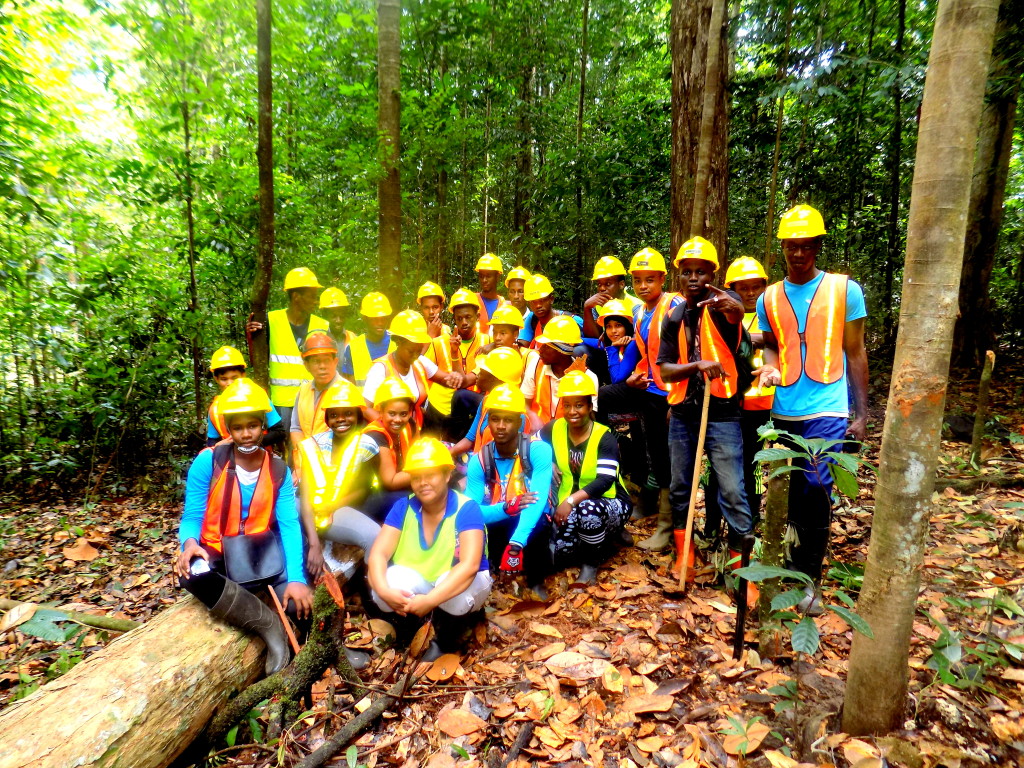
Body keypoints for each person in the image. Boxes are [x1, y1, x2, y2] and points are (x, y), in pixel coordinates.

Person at [756, 205, 868, 615]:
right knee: (790, 492)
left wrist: (861, 412)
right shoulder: (768, 296)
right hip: (785, 407)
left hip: (829, 407)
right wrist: (768, 367)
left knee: (816, 488)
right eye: (791, 247)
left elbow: (855, 351)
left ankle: (810, 581)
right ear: (782, 248)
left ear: (818, 245)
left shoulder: (844, 290)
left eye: (806, 246)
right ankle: (792, 564)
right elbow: (770, 343)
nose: (798, 254)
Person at [174, 378, 311, 675]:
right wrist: (189, 543)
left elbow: (288, 524)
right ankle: (268, 625)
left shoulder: (277, 469)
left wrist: (298, 577)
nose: (246, 434)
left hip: (260, 552)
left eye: (253, 426)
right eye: (238, 427)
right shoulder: (208, 463)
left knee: (299, 602)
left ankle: (310, 654)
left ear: (263, 426)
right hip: (216, 550)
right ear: (228, 429)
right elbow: (192, 516)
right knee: (192, 575)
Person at [656, 237, 755, 603]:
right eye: (688, 272)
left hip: (723, 411)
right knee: (681, 487)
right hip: (684, 412)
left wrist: (736, 312)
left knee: (732, 489)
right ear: (680, 276)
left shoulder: (725, 308)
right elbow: (665, 371)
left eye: (701, 272)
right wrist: (696, 366)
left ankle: (744, 569)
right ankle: (685, 555)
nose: (694, 278)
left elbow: (735, 324)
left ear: (713, 274)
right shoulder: (675, 316)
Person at [367, 437, 492, 660]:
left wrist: (430, 600)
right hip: (425, 582)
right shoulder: (403, 507)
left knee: (455, 594)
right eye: (416, 477)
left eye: (430, 475)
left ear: (446, 475)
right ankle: (413, 626)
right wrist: (385, 592)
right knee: (384, 584)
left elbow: (470, 565)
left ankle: (447, 638)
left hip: (462, 583)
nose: (423, 482)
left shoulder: (466, 508)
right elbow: (378, 554)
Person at [704, 257, 774, 541]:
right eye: (742, 288)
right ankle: (710, 523)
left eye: (755, 287)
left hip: (760, 406)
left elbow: (780, 343)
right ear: (731, 289)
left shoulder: (770, 315)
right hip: (726, 405)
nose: (749, 293)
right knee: (715, 466)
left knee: (751, 465)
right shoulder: (721, 316)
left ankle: (748, 525)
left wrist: (760, 338)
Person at [540, 371, 631, 584]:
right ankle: (601, 539)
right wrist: (548, 460)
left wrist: (570, 502)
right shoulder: (554, 427)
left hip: (609, 501)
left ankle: (592, 562)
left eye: (579, 405)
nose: (573, 411)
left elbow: (604, 481)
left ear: (590, 407)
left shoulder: (605, 436)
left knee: (587, 511)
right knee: (561, 554)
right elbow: (531, 445)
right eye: (567, 405)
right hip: (568, 502)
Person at [465, 385, 554, 598]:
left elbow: (538, 500)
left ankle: (536, 580)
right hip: (501, 514)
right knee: (480, 531)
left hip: (533, 518)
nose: (501, 426)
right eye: (495, 419)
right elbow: (471, 511)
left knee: (539, 523)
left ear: (520, 422)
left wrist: (517, 542)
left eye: (508, 420)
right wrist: (507, 508)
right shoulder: (479, 460)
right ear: (487, 421)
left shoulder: (538, 450)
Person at [625, 247, 682, 552]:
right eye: (638, 280)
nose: (643, 285)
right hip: (650, 392)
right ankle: (658, 515)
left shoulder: (675, 304)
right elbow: (646, 353)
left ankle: (668, 527)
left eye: (650, 279)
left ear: (662, 278)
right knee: (656, 455)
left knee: (669, 459)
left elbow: (686, 351)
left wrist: (679, 399)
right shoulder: (639, 311)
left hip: (672, 395)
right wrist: (635, 375)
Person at [298, 380, 381, 568]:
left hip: (337, 509)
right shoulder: (314, 445)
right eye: (334, 415)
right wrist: (314, 544)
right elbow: (305, 495)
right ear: (327, 419)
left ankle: (371, 587)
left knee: (374, 536)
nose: (341, 419)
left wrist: (334, 505)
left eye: (348, 414)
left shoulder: (367, 445)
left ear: (359, 416)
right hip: (306, 509)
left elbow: (365, 487)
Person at [246, 266, 328, 427]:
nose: (316, 302)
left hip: (313, 398)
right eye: (312, 297)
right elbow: (256, 360)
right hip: (281, 401)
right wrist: (251, 336)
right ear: (296, 296)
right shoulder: (271, 320)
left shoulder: (323, 325)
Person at [362, 310, 463, 428]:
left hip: (415, 433)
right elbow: (365, 408)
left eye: (419, 350)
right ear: (399, 342)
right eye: (411, 351)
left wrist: (454, 377)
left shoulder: (420, 362)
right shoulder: (380, 369)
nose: (416, 355)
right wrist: (390, 427)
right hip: (389, 434)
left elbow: (447, 379)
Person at [449, 346, 529, 457]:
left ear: (495, 379)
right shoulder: (487, 400)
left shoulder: (518, 414)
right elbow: (470, 439)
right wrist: (447, 455)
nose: (477, 375)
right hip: (479, 463)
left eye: (481, 371)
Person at [521, 315, 599, 425]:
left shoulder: (588, 378)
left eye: (547, 346)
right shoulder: (536, 364)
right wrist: (532, 418)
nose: (540, 350)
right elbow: (525, 403)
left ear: (562, 350)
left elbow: (588, 420)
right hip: (535, 434)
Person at [359, 377, 418, 521]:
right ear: (381, 412)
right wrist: (427, 471)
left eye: (403, 414)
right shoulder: (375, 434)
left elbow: (418, 453)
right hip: (372, 495)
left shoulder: (409, 424)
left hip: (402, 482)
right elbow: (390, 482)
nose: (398, 419)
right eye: (392, 414)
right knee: (416, 500)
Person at [206, 346, 286, 449]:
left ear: (243, 375)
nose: (229, 383)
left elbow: (279, 432)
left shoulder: (258, 397)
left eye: (234, 378)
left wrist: (250, 444)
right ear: (216, 379)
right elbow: (212, 442)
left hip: (263, 458)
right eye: (224, 379)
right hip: (231, 462)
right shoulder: (215, 409)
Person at [290, 331, 341, 459]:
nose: (322, 366)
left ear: (335, 362)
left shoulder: (346, 391)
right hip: (305, 458)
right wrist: (305, 457)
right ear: (306, 365)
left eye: (327, 360)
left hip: (334, 460)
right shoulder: (303, 391)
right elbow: (296, 428)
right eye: (316, 361)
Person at [417, 281, 460, 432]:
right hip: (422, 398)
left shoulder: (448, 331)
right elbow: (413, 363)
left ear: (441, 307)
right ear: (421, 308)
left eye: (435, 307)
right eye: (426, 307)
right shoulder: (414, 332)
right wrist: (429, 337)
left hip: (443, 398)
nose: (431, 312)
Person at [582, 256, 643, 340]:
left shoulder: (636, 306)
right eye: (599, 284)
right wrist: (587, 308)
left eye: (608, 284)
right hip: (606, 350)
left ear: (621, 284)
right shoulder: (598, 306)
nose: (602, 288)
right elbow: (593, 338)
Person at [342, 292, 395, 387]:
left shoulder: (397, 341)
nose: (380, 323)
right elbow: (350, 387)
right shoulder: (353, 348)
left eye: (383, 318)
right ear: (365, 319)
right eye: (375, 319)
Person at [519, 274, 583, 349]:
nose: (538, 305)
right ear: (529, 304)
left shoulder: (573, 320)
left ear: (551, 299)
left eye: (542, 300)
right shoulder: (532, 318)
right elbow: (522, 346)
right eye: (533, 302)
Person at [320, 287, 355, 367]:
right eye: (334, 316)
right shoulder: (317, 337)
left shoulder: (353, 338)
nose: (338, 320)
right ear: (324, 315)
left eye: (341, 316)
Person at [474, 253, 506, 333]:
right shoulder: (472, 301)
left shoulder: (504, 305)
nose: (484, 280)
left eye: (488, 276)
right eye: (481, 276)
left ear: (497, 277)